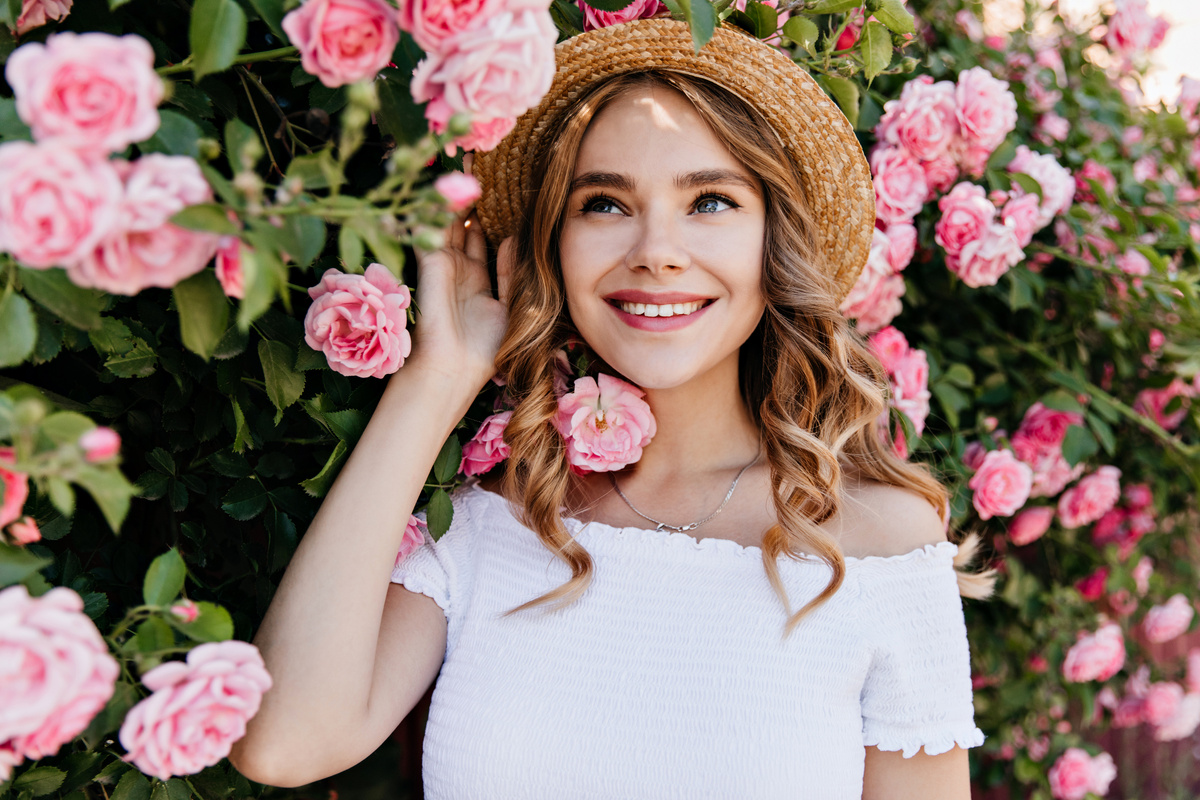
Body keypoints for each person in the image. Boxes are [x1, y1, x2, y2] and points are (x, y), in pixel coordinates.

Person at [230, 18, 989, 799]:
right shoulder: (489, 517)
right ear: (552, 244)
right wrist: (437, 378)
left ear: (774, 243)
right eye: (603, 205)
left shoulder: (879, 546)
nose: (656, 250)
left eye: (712, 202)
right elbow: (283, 744)